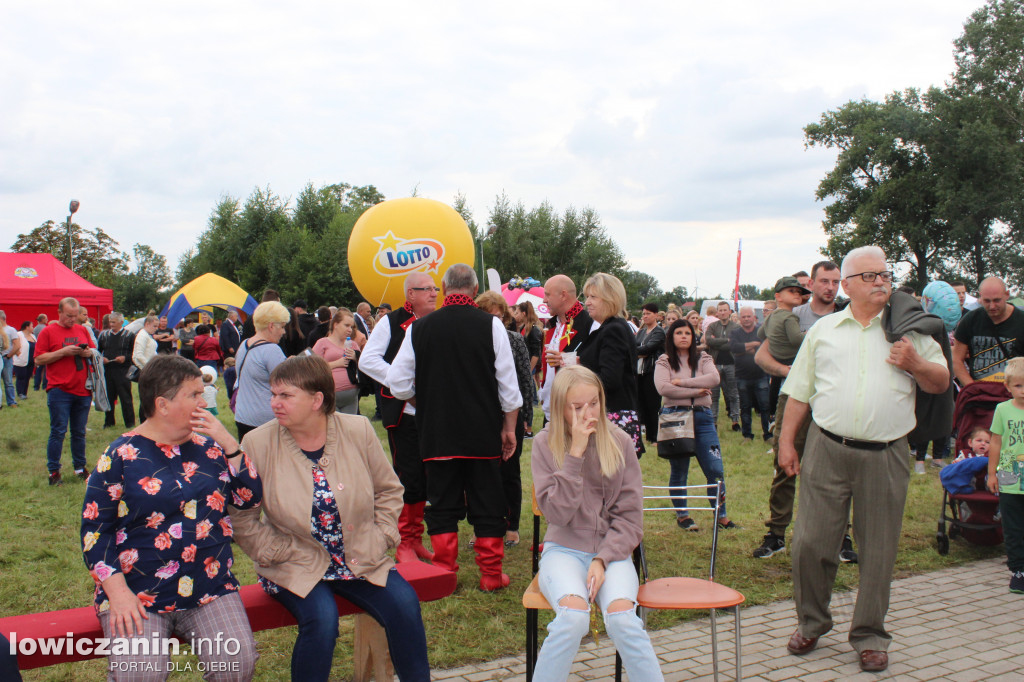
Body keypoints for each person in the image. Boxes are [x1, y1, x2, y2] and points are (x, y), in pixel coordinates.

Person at [779, 246, 948, 672]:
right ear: (848, 285)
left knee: (878, 550)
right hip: (827, 448)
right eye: (870, 276)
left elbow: (941, 382)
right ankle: (812, 622)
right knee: (810, 543)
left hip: (886, 453)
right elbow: (799, 391)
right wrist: (786, 443)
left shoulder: (910, 330)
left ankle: (870, 635)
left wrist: (913, 362)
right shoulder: (825, 330)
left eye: (885, 275)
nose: (881, 283)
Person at [230, 355, 429, 680]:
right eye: (273, 394)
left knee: (405, 607)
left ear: (317, 399)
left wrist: (382, 537)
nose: (274, 403)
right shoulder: (257, 442)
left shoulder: (356, 429)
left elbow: (389, 490)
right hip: (294, 564)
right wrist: (276, 552)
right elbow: (242, 517)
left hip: (361, 556)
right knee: (322, 620)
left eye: (285, 395)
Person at [81, 354, 261, 680]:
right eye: (194, 394)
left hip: (210, 586)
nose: (204, 400)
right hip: (138, 594)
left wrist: (230, 444)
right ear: (162, 405)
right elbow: (95, 532)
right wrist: (118, 595)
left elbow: (249, 498)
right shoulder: (120, 456)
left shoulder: (210, 447)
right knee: (140, 674)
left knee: (237, 664)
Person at [387, 264, 522, 591]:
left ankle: (444, 572)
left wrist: (423, 402)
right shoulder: (491, 325)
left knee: (442, 501)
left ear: (445, 289)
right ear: (474, 291)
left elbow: (396, 383)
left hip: (437, 433)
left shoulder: (419, 328)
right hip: (482, 433)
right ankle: (490, 575)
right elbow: (509, 387)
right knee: (488, 501)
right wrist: (509, 429)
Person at [531, 365, 663, 681]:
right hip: (562, 548)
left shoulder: (618, 440)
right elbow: (557, 515)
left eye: (594, 403)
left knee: (622, 621)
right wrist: (574, 454)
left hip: (612, 552)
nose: (588, 413)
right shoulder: (544, 444)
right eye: (577, 407)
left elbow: (630, 518)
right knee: (573, 618)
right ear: (560, 407)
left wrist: (602, 559)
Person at [752, 261, 856, 562]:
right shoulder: (794, 315)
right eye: (824, 281)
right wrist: (794, 371)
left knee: (838, 471)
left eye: (836, 282)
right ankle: (776, 535)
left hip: (836, 401)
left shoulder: (846, 316)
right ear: (811, 283)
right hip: (796, 399)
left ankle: (840, 536)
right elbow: (761, 356)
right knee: (786, 465)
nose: (830, 287)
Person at [360, 272, 438, 564]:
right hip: (405, 411)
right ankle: (405, 541)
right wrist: (401, 383)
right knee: (409, 475)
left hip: (434, 411)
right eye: (426, 289)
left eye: (435, 288)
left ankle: (416, 538)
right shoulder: (390, 323)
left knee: (430, 476)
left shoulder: (437, 321)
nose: (433, 293)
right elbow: (368, 361)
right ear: (410, 294)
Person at [654, 319, 736, 530]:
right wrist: (695, 392)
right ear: (671, 337)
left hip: (703, 418)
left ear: (693, 336)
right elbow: (664, 388)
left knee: (715, 469)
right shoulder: (664, 360)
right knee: (680, 469)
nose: (683, 336)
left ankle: (721, 515)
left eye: (687, 333)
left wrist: (682, 383)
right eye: (679, 332)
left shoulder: (703, 357)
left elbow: (714, 378)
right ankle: (683, 516)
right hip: (676, 418)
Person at [477, 291, 535, 548]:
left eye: (499, 317)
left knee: (509, 471)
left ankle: (511, 526)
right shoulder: (474, 339)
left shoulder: (514, 340)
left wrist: (526, 417)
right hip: (481, 414)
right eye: (489, 316)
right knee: (482, 473)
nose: (495, 322)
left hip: (511, 413)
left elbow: (525, 378)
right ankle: (487, 526)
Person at [576, 273, 643, 457]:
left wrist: (579, 375)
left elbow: (609, 379)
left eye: (593, 297)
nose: (587, 302)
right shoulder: (610, 327)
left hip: (611, 417)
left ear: (610, 298)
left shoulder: (613, 329)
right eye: (586, 297)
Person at [35, 298, 96, 485]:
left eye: (75, 315)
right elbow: (38, 359)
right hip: (59, 390)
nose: (73, 319)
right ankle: (54, 471)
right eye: (69, 315)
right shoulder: (48, 332)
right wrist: (63, 352)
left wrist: (88, 353)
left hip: (82, 389)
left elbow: (94, 351)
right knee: (58, 431)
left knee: (79, 432)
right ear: (59, 312)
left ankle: (80, 467)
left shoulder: (82, 329)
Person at [986, 357, 1024, 594]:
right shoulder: (1002, 409)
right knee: (1013, 526)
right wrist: (992, 473)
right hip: (1010, 475)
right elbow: (996, 442)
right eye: (1018, 385)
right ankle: (1018, 570)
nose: (1023, 390)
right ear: (1008, 387)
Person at [539, 274, 596, 422]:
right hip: (551, 408)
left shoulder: (589, 323)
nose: (544, 300)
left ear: (563, 295)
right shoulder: (552, 324)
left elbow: (597, 363)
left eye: (547, 295)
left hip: (576, 410)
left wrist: (568, 359)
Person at [233, 301, 289, 441]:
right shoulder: (271, 350)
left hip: (242, 416)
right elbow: (287, 385)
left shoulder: (244, 345)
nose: (283, 332)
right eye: (282, 326)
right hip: (265, 421)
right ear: (271, 326)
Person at [953, 277, 1024, 385]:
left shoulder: (1020, 320)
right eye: (987, 301)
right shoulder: (970, 319)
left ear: (1007, 295)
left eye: (997, 300)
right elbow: (956, 359)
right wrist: (971, 388)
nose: (992, 306)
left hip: (1013, 396)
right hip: (979, 395)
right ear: (980, 297)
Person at [312, 308, 365, 415]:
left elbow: (363, 366)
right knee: (334, 427)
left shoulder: (353, 344)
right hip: (330, 394)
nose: (350, 329)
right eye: (346, 325)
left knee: (348, 428)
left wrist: (356, 357)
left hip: (351, 396)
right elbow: (312, 368)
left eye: (352, 326)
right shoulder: (322, 343)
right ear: (335, 324)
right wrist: (336, 364)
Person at [730, 306, 771, 441]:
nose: (746, 319)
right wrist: (753, 344)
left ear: (754, 317)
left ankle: (768, 434)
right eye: (744, 317)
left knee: (765, 407)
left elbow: (764, 347)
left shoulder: (761, 331)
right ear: (740, 319)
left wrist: (744, 348)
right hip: (742, 376)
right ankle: (747, 435)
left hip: (761, 375)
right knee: (745, 407)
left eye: (749, 316)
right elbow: (734, 348)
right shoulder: (735, 333)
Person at [704, 302, 740, 431]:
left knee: (733, 394)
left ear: (730, 311)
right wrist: (726, 341)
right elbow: (708, 340)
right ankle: (713, 421)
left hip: (731, 363)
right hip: (715, 364)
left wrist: (717, 342)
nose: (723, 312)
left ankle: (735, 420)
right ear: (717, 312)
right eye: (720, 310)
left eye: (725, 310)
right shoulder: (712, 326)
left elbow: (735, 343)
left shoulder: (736, 327)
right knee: (714, 395)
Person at [635, 303, 667, 446]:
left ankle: (654, 437)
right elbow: (633, 346)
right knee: (641, 404)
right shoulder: (641, 332)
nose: (645, 316)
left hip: (652, 371)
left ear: (656, 315)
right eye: (643, 314)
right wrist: (639, 352)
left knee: (653, 404)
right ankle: (646, 435)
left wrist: (639, 352)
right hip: (639, 372)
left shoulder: (659, 332)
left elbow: (649, 348)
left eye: (648, 313)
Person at [98, 313, 136, 429]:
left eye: (113, 322)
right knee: (109, 397)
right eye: (110, 322)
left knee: (125, 398)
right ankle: (109, 422)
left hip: (123, 371)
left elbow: (134, 353)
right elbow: (98, 351)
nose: (111, 324)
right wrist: (101, 358)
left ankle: (130, 423)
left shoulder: (129, 335)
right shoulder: (104, 335)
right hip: (108, 370)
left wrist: (125, 358)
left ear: (121, 322)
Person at [132, 315, 160, 425]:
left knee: (151, 397)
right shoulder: (142, 335)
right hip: (145, 370)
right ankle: (144, 421)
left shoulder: (147, 335)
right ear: (147, 324)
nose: (156, 328)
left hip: (150, 369)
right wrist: (149, 367)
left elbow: (151, 352)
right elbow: (138, 355)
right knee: (146, 397)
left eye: (157, 326)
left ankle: (149, 420)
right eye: (154, 326)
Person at [0, 310, 21, 407]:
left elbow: (17, 344)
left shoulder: (10, 330)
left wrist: (9, 355)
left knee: (8, 381)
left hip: (6, 358)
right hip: (3, 357)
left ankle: (11, 401)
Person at [13, 320, 35, 400]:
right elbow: (14, 344)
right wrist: (17, 353)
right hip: (21, 360)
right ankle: (20, 393)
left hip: (31, 360)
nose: (33, 328)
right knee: (21, 377)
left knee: (27, 377)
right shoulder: (19, 334)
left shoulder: (33, 336)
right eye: (32, 326)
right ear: (27, 327)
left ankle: (24, 393)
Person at [33, 313, 48, 391]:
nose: (47, 320)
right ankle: (45, 385)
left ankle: (36, 386)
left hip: (37, 350)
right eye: (46, 319)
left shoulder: (35, 328)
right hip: (44, 350)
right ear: (42, 319)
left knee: (38, 369)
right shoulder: (44, 328)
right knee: (46, 369)